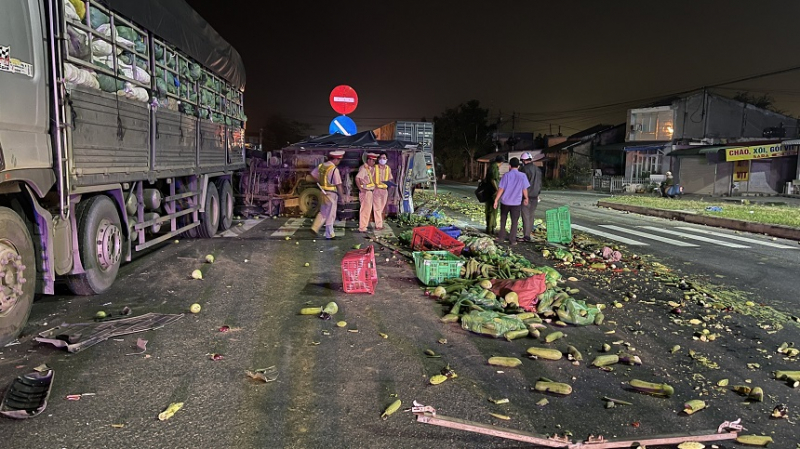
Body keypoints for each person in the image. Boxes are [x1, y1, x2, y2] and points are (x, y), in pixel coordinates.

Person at [493, 157, 529, 245]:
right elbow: (524, 189)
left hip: (505, 202)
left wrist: (496, 200)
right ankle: (512, 240)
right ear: (518, 166)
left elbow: (501, 189)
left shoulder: (506, 176)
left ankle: (501, 237)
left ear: (509, 166)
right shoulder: (523, 176)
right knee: (514, 222)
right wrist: (526, 198)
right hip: (516, 203)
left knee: (503, 220)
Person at [310, 151, 346, 239]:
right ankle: (330, 234)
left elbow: (313, 175)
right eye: (339, 160)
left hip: (322, 192)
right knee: (331, 214)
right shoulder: (334, 169)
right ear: (336, 159)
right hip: (331, 194)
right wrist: (342, 196)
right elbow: (338, 184)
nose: (339, 162)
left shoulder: (321, 166)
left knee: (323, 212)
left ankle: (314, 227)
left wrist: (320, 181)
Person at [520, 152, 544, 241]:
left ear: (524, 160)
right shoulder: (538, 170)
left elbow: (522, 184)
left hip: (526, 196)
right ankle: (528, 234)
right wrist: (538, 194)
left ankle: (526, 236)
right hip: (535, 195)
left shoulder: (524, 169)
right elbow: (540, 183)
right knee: (531, 215)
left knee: (525, 215)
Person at [355, 152, 379, 233]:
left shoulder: (370, 168)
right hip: (366, 192)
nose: (374, 162)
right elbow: (357, 178)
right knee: (365, 210)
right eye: (372, 160)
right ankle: (362, 228)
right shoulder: (364, 169)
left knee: (367, 210)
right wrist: (361, 189)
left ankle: (364, 226)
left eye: (374, 161)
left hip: (370, 191)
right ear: (369, 160)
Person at [373, 152, 394, 230]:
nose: (382, 159)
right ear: (378, 159)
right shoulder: (374, 168)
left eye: (384, 158)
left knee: (381, 208)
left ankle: (379, 223)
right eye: (381, 158)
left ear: (386, 159)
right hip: (376, 190)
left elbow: (389, 179)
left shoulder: (388, 169)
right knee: (377, 208)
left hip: (384, 191)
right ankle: (379, 225)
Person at [484, 155, 503, 235]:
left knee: (489, 210)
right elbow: (493, 180)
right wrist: (497, 190)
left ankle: (489, 227)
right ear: (501, 162)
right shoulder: (494, 168)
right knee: (493, 210)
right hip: (492, 192)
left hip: (488, 191)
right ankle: (490, 228)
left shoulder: (491, 166)